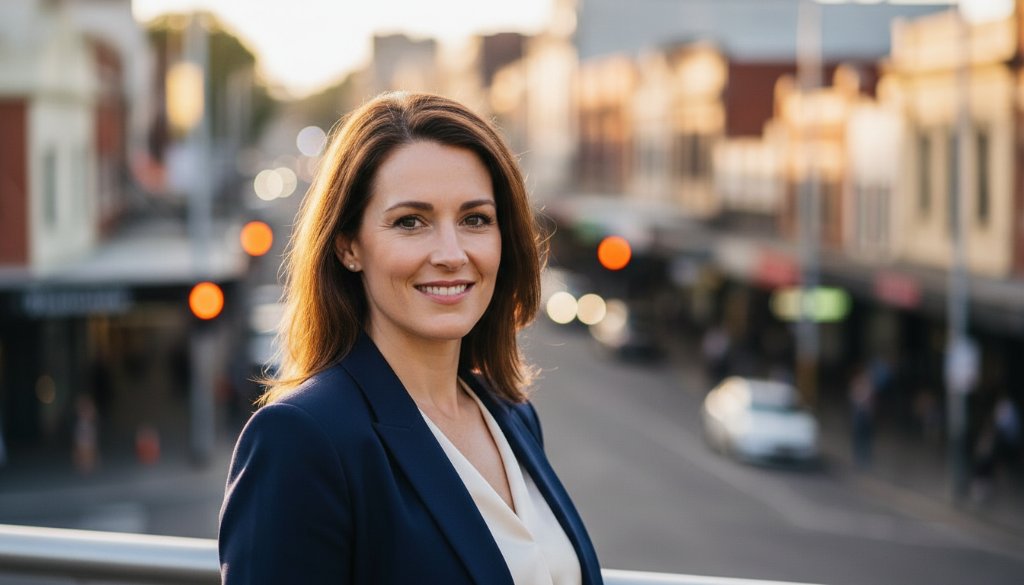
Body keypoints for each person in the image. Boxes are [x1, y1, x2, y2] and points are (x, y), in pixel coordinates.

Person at [218, 92, 602, 585]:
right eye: (410, 222)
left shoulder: (512, 416)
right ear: (349, 245)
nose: (451, 253)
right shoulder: (302, 439)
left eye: (475, 219)